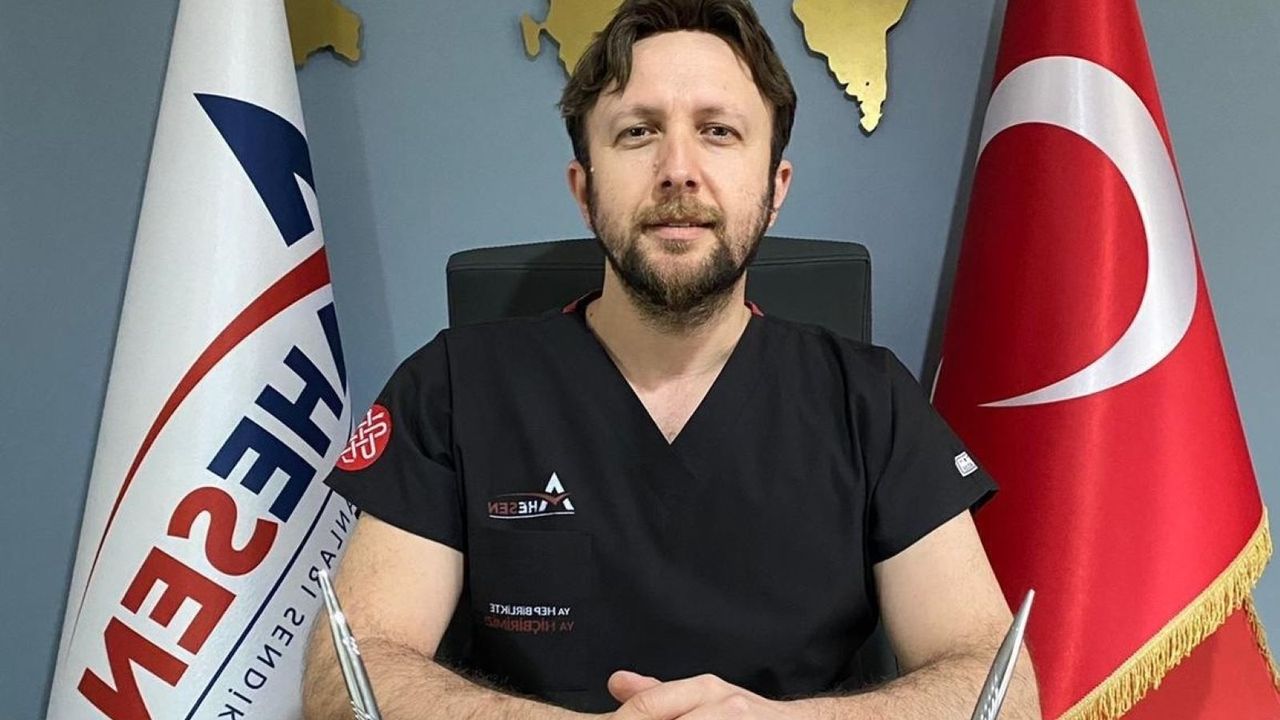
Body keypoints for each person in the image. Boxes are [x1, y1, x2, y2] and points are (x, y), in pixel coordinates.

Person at [302, 0, 1041, 717]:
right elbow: (348, 673)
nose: (678, 169)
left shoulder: (871, 402)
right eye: (637, 132)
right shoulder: (452, 388)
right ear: (585, 190)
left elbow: (999, 690)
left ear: (774, 189)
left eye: (719, 131)